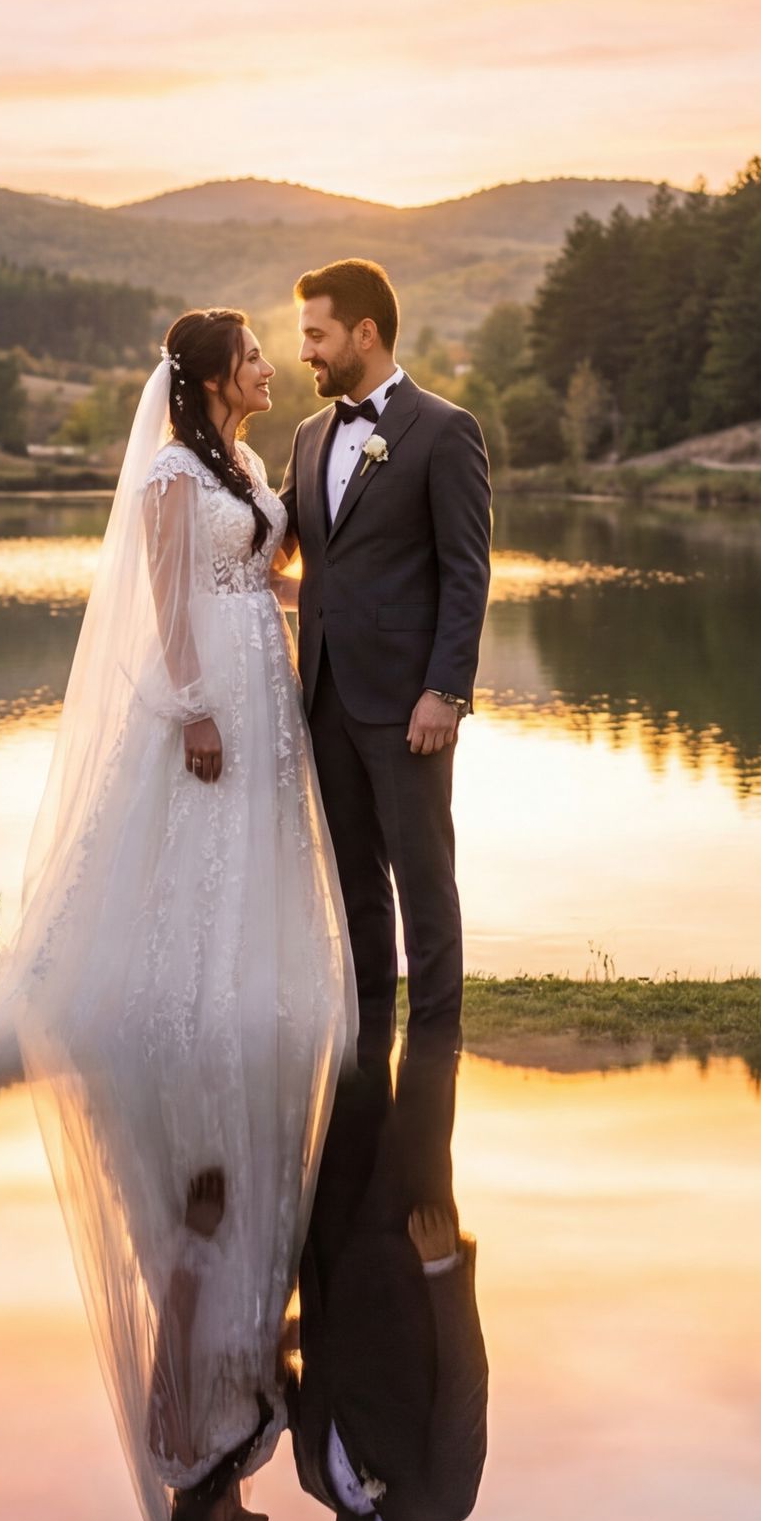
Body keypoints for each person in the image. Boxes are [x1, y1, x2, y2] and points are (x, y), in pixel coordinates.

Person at [0, 309, 353, 1521]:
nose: (271, 369)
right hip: (209, 691)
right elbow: (164, 600)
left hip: (254, 682)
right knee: (188, 876)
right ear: (220, 376)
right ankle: (182, 1015)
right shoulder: (170, 471)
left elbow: (255, 572)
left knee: (247, 877)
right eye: (258, 357)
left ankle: (235, 1006)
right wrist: (195, 703)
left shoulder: (238, 468)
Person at [280, 257, 493, 1052]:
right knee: (355, 886)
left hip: (408, 705)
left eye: (316, 333)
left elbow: (467, 573)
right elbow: (294, 553)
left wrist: (447, 690)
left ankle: (437, 1045)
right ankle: (371, 1039)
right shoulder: (306, 437)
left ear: (363, 333)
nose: (305, 351)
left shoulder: (444, 430)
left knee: (423, 881)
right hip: (324, 698)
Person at [291, 1035, 486, 1521]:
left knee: (359, 1053)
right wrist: (443, 1270)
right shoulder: (443, 1500)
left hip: (333, 1229)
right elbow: (464, 1383)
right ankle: (435, 933)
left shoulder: (311, 1480)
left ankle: (358, 934)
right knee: (431, 1054)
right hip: (408, 1241)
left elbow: (300, 1379)